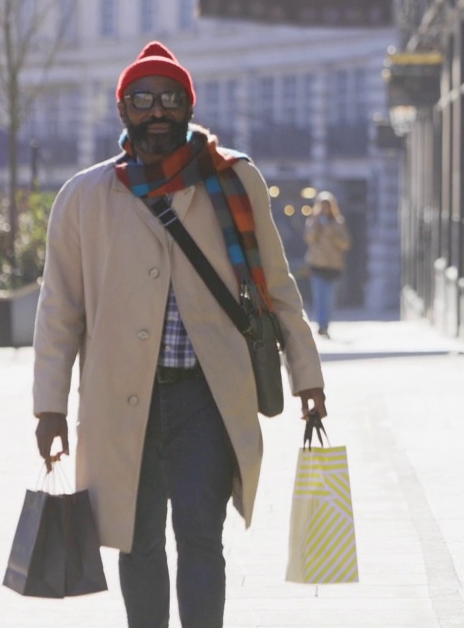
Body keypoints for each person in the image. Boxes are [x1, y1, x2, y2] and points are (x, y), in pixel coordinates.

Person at [31, 41, 326, 628]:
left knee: (200, 538)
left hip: (208, 398)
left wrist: (308, 379)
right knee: (136, 542)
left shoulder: (234, 180)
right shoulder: (85, 197)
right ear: (123, 111)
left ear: (189, 106)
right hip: (119, 400)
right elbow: (58, 310)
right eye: (142, 99)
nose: (156, 110)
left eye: (170, 98)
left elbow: (277, 285)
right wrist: (50, 408)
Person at [303, 191, 351, 338]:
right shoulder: (313, 221)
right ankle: (320, 324)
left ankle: (326, 325)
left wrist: (333, 235)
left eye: (327, 206)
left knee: (329, 298)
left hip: (332, 266)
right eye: (322, 206)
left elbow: (345, 244)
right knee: (319, 297)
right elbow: (308, 239)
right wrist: (316, 225)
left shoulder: (338, 223)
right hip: (317, 264)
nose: (325, 209)